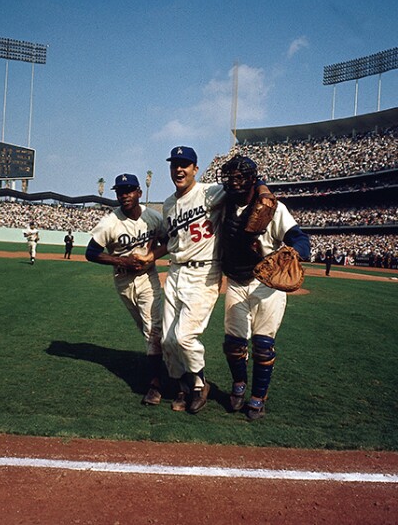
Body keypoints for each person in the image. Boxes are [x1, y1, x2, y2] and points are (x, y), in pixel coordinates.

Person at [137, 146, 272, 414]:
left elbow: (246, 179)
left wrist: (264, 189)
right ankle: (183, 387)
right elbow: (172, 241)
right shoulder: (167, 204)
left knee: (185, 336)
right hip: (175, 271)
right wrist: (151, 255)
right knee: (166, 340)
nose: (179, 169)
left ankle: (200, 385)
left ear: (195, 169)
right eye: (175, 163)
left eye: (185, 164)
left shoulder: (210, 192)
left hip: (205, 271)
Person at [217, 155, 310, 420]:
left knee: (262, 345)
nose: (233, 183)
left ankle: (258, 396)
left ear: (251, 180)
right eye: (229, 177)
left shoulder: (273, 208)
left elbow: (299, 238)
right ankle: (238, 384)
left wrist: (293, 252)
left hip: (266, 283)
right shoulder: (224, 205)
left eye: (239, 178)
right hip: (236, 280)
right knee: (233, 343)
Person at [86, 174, 166, 406]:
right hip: (123, 280)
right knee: (146, 329)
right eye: (120, 191)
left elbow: (167, 240)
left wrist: (150, 256)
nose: (125, 195)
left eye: (129, 190)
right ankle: (166, 367)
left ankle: (155, 385)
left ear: (139, 193)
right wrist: (122, 262)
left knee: (154, 330)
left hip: (147, 277)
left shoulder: (153, 217)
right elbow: (91, 253)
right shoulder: (110, 222)